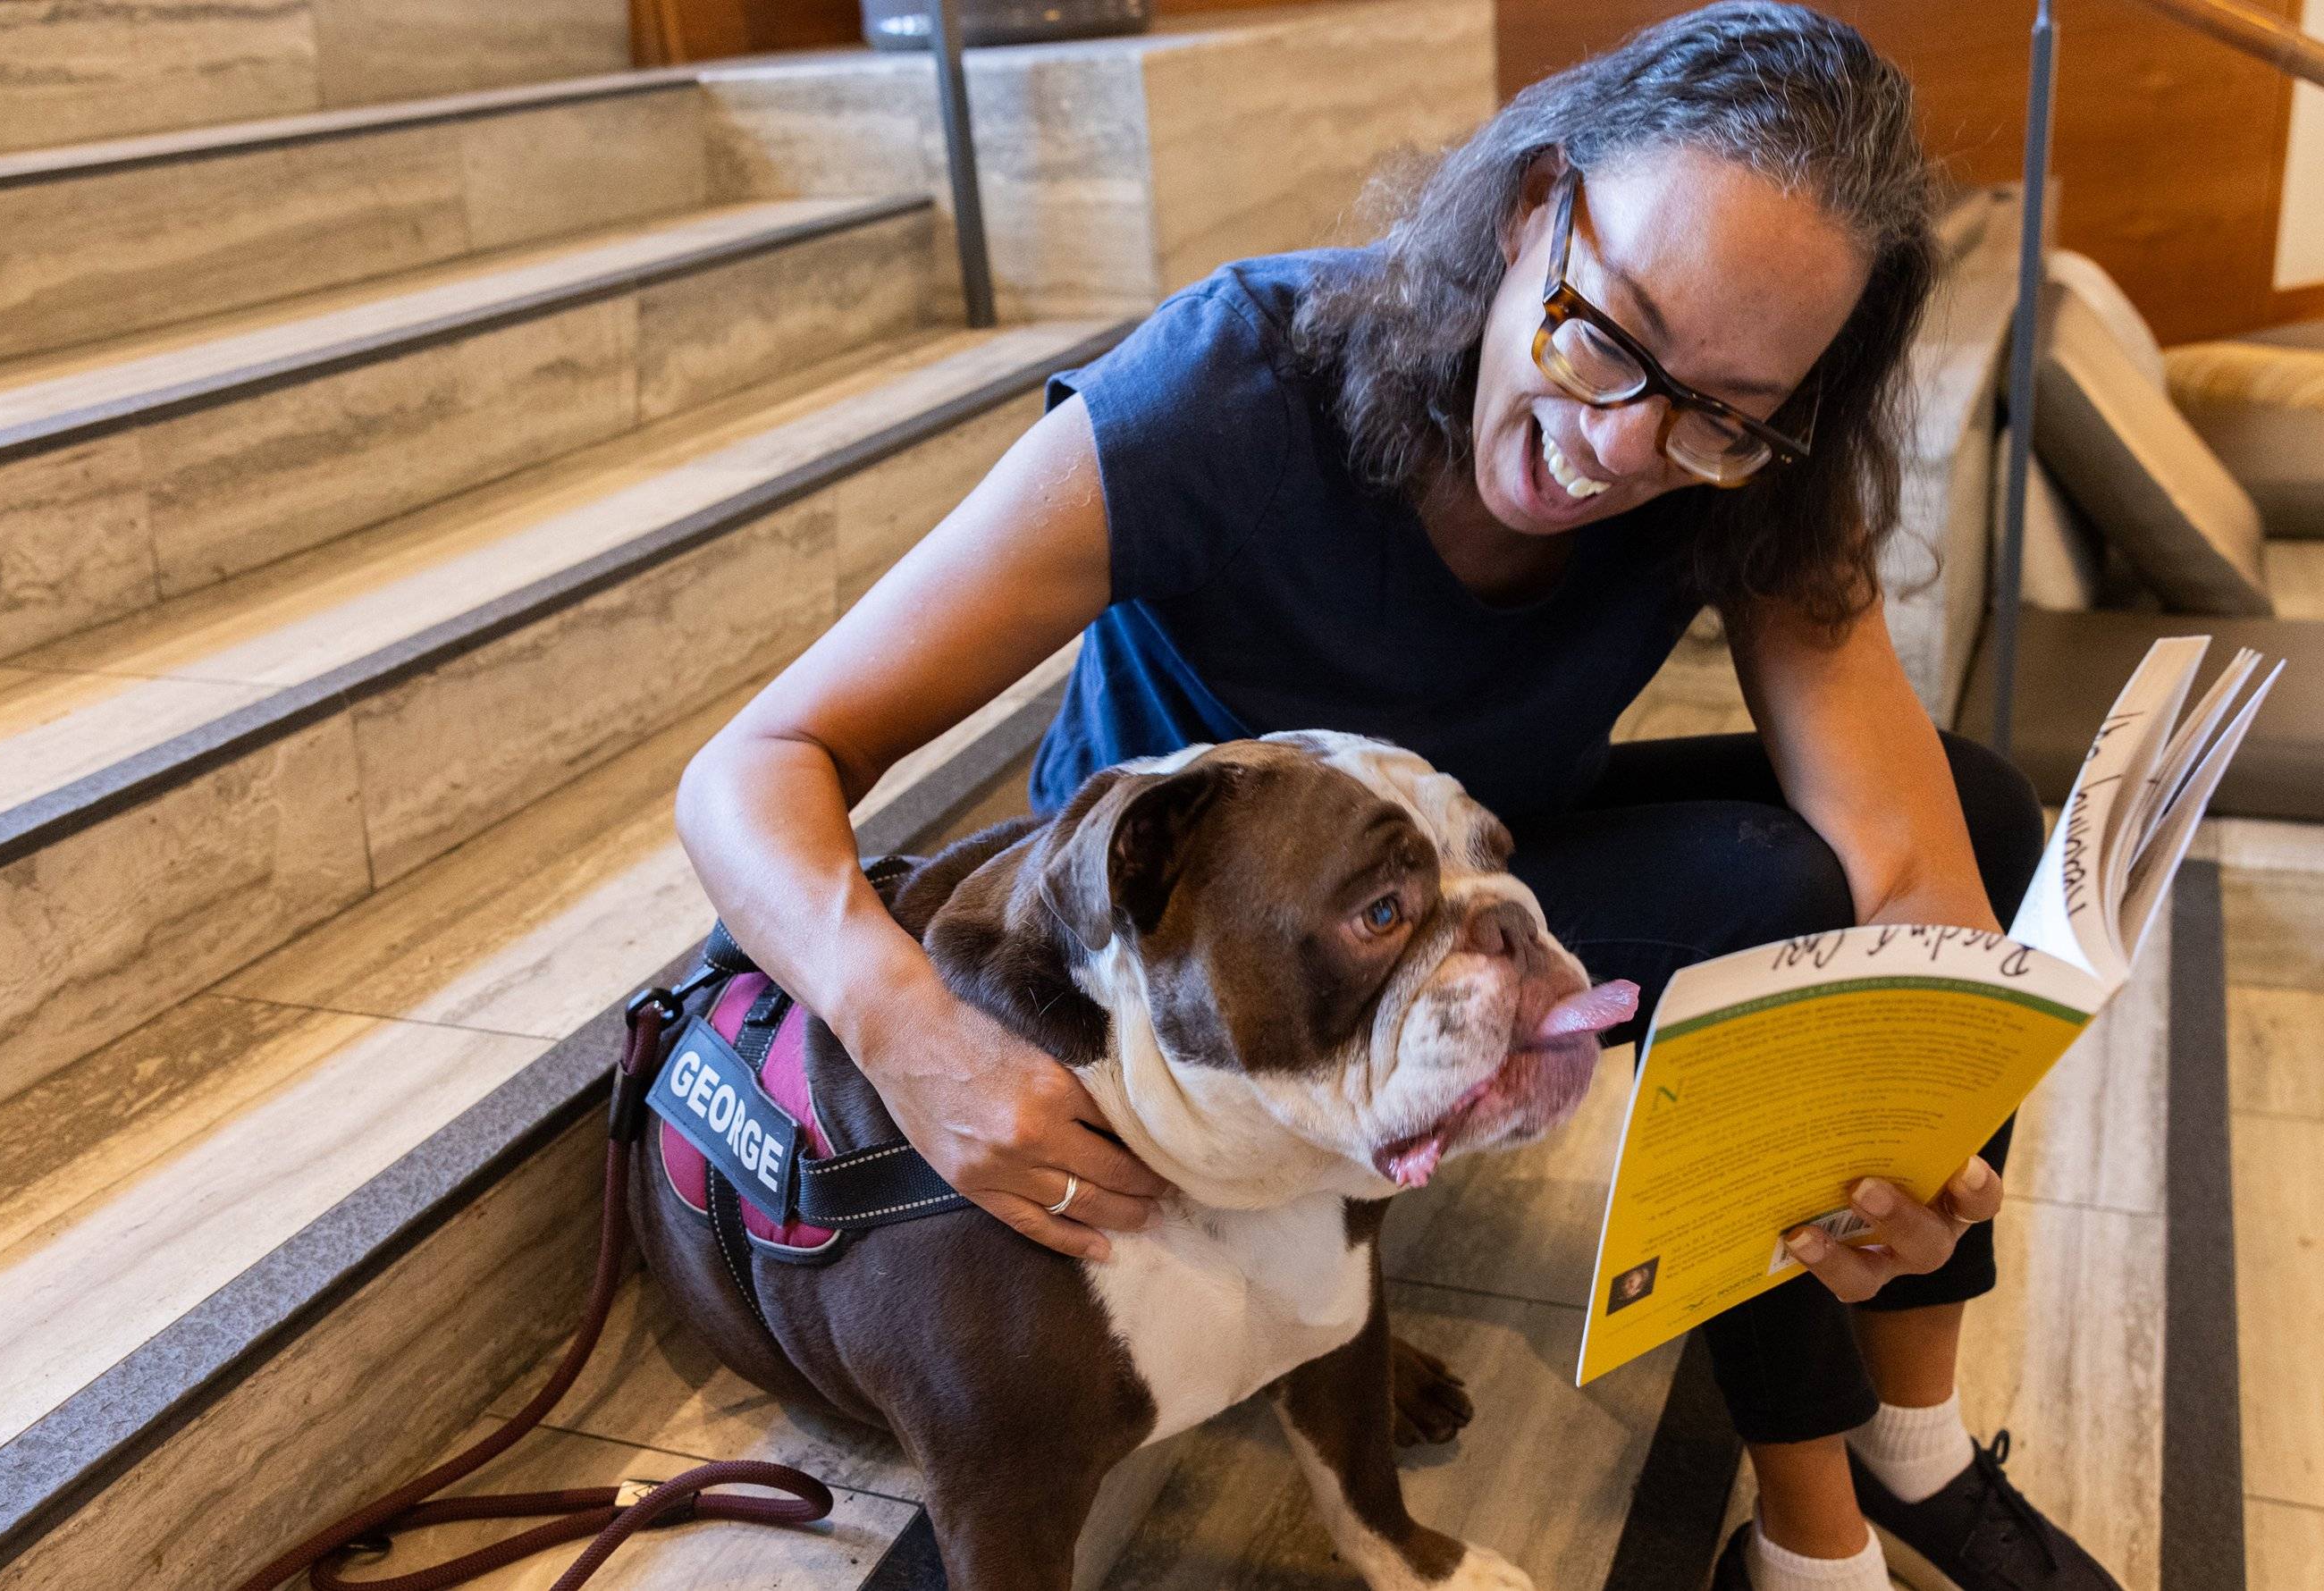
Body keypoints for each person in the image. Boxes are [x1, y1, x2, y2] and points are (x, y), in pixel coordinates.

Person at [675, 5, 2119, 1587]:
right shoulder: (1221, 393)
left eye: (1716, 410)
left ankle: (1908, 1452)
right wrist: (906, 1027)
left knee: (1969, 819)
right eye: (1604, 331)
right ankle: (1811, 1540)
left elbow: (1911, 858)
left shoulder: (1749, 464)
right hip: (1209, 950)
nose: (1616, 443)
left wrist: (1914, 1142)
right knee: (1775, 906)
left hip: (1475, 878)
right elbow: (754, 766)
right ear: (1525, 211)